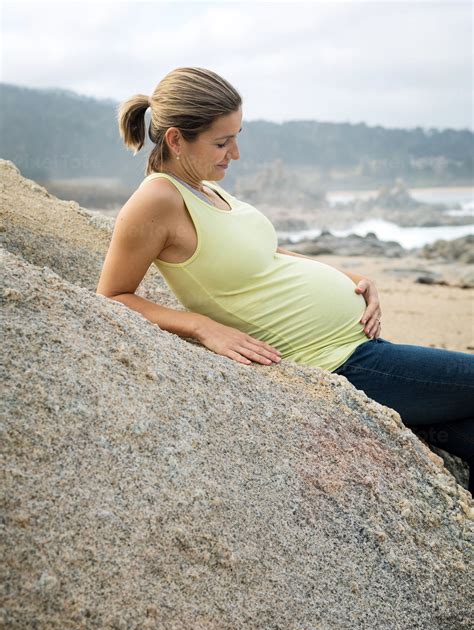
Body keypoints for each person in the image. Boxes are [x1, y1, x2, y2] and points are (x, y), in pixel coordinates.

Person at [96, 66, 473, 494]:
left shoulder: (208, 188)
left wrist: (349, 277)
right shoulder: (156, 200)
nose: (234, 154)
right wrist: (203, 327)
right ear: (176, 140)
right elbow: (112, 294)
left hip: (359, 346)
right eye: (222, 142)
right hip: (339, 364)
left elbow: (267, 254)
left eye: (237, 136)